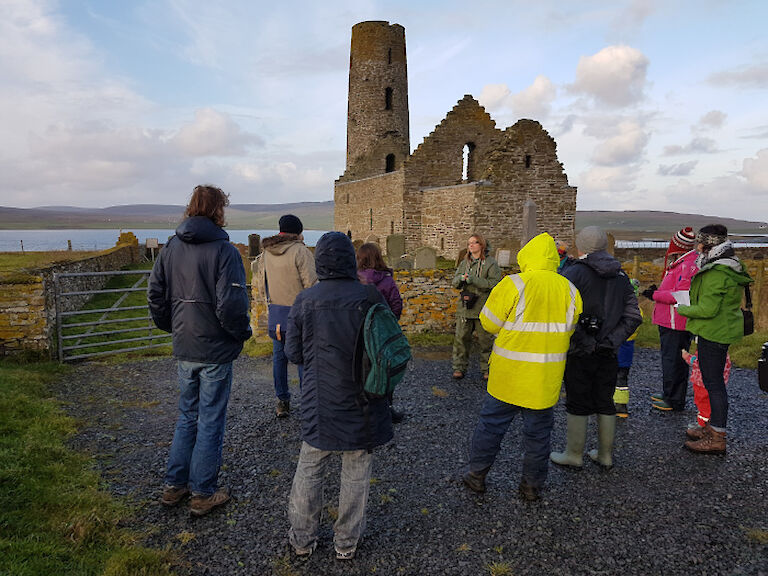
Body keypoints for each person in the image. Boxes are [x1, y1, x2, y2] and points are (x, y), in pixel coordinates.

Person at [285, 232, 393, 560]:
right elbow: (389, 346)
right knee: (356, 471)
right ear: (349, 259)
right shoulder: (370, 296)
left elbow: (293, 353)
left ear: (320, 262)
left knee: (310, 468)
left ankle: (302, 541)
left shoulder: (305, 300)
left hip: (320, 401)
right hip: (364, 400)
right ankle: (346, 544)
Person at [148, 184, 252, 516]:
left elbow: (155, 294)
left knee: (187, 416)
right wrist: (241, 334)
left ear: (191, 207)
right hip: (215, 349)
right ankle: (203, 492)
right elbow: (231, 306)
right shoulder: (226, 252)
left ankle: (174, 485)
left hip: (186, 345)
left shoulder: (170, 248)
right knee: (210, 419)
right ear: (219, 209)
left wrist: (173, 327)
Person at [463, 233, 582, 501]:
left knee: (491, 427)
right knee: (539, 436)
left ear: (526, 256)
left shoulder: (513, 284)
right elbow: (570, 330)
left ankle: (477, 475)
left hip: (508, 376)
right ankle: (531, 486)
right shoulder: (571, 290)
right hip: (544, 378)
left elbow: (489, 323)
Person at [550, 226, 642, 469]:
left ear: (580, 246)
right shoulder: (621, 275)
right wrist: (611, 342)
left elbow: (563, 313)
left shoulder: (573, 274)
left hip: (580, 351)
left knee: (577, 400)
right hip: (609, 351)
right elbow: (633, 316)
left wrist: (585, 341)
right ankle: (605, 455)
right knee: (605, 400)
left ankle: (573, 454)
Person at [677, 224, 752, 454]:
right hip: (721, 328)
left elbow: (708, 309)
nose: (696, 247)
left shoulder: (717, 272)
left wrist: (682, 308)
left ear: (706, 244)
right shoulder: (729, 266)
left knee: (714, 385)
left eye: (699, 243)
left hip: (714, 331)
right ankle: (712, 428)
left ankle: (717, 436)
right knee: (714, 382)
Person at [253, 214, 317, 418]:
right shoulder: (301, 251)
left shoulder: (266, 253)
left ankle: (282, 402)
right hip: (301, 314)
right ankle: (308, 403)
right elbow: (311, 285)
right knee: (303, 359)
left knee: (279, 359)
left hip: (277, 314)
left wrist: (269, 304)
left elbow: (262, 285)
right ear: (298, 232)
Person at [641, 227, 698, 412]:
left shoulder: (687, 265)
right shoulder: (682, 262)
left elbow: (680, 295)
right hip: (669, 320)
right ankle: (669, 393)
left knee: (675, 360)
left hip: (676, 321)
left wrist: (655, 294)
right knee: (670, 358)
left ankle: (674, 399)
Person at [357, 242, 404, 423]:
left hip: (359, 333)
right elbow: (396, 305)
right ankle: (386, 410)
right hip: (382, 334)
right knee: (385, 369)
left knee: (361, 370)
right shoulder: (386, 280)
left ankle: (362, 411)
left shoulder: (354, 280)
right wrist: (390, 325)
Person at [451, 233, 502, 380]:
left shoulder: (491, 264)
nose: (470, 245)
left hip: (483, 307)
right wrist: (461, 279)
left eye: (474, 243)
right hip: (465, 307)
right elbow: (454, 282)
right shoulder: (464, 263)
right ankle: (459, 367)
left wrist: (474, 280)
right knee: (461, 339)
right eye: (469, 243)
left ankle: (487, 369)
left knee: (485, 341)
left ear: (481, 245)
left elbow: (494, 284)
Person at [682, 348, 731, 431]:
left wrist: (687, 357)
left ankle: (702, 424)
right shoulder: (723, 353)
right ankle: (712, 422)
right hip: (716, 383)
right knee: (712, 402)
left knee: (702, 403)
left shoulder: (706, 350)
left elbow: (698, 363)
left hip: (701, 383)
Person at [613, 279, 642, 418]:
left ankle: (611, 403)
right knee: (622, 380)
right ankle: (621, 406)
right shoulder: (636, 310)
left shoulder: (615, 308)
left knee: (611, 378)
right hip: (626, 354)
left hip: (615, 350)